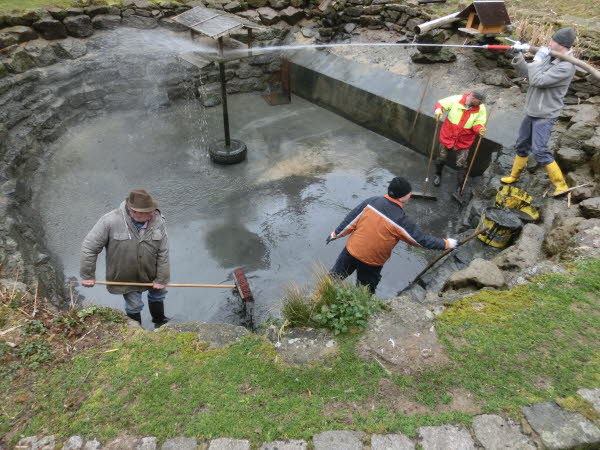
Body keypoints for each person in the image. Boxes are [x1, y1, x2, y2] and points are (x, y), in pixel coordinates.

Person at [327, 177, 457, 294]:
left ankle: (319, 298)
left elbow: (350, 220)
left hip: (351, 251)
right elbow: (420, 240)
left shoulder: (371, 202)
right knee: (364, 291)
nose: (410, 194)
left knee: (334, 277)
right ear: (402, 197)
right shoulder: (400, 220)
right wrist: (446, 244)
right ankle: (359, 312)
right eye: (409, 193)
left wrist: (335, 234)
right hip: (372, 262)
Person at [501, 27, 577, 195]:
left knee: (540, 150)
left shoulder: (566, 67)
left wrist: (537, 58)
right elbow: (527, 74)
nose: (549, 43)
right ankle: (514, 175)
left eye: (553, 41)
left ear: (562, 45)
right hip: (532, 110)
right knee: (522, 144)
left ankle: (561, 185)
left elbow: (538, 81)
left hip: (545, 114)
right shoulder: (550, 57)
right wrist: (518, 56)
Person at [80, 189, 170, 328]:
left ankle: (160, 322)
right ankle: (137, 332)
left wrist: (162, 278)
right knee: (134, 306)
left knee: (158, 296)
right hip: (126, 277)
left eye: (152, 210)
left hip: (153, 273)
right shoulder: (109, 221)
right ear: (135, 213)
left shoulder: (158, 220)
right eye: (149, 212)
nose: (154, 214)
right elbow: (89, 247)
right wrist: (87, 275)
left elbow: (163, 251)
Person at [433, 90, 487, 192]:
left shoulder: (481, 108)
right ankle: (438, 175)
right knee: (441, 158)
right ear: (472, 98)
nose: (480, 104)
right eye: (479, 101)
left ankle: (460, 185)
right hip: (448, 136)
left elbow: (479, 122)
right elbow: (441, 104)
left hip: (464, 141)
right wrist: (438, 110)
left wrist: (479, 128)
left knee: (461, 164)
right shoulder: (457, 99)